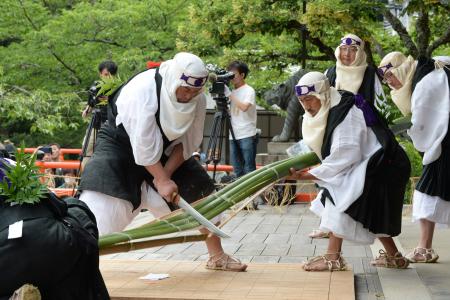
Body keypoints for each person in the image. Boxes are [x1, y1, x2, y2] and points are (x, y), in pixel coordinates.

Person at [79, 52, 247, 272]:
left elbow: (187, 143)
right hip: (121, 146)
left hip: (167, 151)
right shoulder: (142, 90)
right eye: (185, 89)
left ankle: (217, 256)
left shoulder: (198, 99)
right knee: (99, 208)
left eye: (195, 91)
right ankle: (81, 267)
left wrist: (165, 176)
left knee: (203, 196)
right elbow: (142, 142)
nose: (188, 96)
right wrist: (160, 178)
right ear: (175, 79)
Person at [289, 72, 411, 271]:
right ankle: (394, 256)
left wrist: (309, 174)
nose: (306, 106)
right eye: (301, 101)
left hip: (384, 164)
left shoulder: (346, 112)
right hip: (371, 162)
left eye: (309, 99)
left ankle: (332, 258)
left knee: (341, 197)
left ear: (322, 95)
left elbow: (346, 154)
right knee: (369, 212)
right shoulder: (331, 106)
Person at [310, 34, 389, 239]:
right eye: (344, 50)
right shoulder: (330, 72)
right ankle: (327, 225)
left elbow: (383, 109)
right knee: (332, 177)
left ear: (360, 53)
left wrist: (362, 107)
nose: (347, 54)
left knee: (347, 181)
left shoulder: (370, 74)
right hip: (337, 133)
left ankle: (335, 232)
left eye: (353, 50)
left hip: (363, 137)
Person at [0, 157, 109, 299]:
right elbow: (57, 205)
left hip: (6, 257)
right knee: (77, 235)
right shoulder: (9, 163)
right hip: (49, 236)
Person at [378, 52, 450, 263]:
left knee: (425, 191)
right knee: (427, 192)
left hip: (444, 144)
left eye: (390, 75)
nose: (389, 82)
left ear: (401, 68)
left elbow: (421, 126)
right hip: (444, 143)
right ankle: (424, 248)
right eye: (386, 79)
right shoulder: (427, 73)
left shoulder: (425, 83)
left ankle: (424, 249)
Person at [81, 60, 118, 170]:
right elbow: (90, 106)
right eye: (106, 74)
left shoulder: (119, 88)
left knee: (109, 153)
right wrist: (87, 110)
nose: (108, 77)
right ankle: (85, 179)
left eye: (111, 75)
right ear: (100, 74)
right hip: (96, 123)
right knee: (87, 150)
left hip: (112, 126)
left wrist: (110, 99)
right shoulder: (96, 87)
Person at [227, 61, 258, 178]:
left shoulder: (249, 90)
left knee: (249, 169)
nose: (231, 77)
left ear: (242, 75)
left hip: (246, 133)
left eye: (233, 74)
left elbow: (244, 107)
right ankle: (242, 196)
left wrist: (229, 95)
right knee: (237, 169)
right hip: (233, 134)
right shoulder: (232, 92)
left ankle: (253, 196)